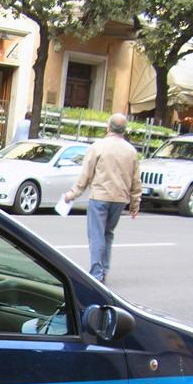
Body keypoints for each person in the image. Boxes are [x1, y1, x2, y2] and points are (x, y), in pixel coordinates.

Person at [63, 113, 141, 284]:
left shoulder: (98, 147)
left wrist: (72, 194)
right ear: (124, 130)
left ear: (108, 127)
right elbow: (136, 180)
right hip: (120, 199)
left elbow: (86, 175)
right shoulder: (131, 151)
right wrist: (135, 203)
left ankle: (97, 273)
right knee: (108, 233)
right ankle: (104, 269)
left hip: (100, 196)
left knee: (96, 234)